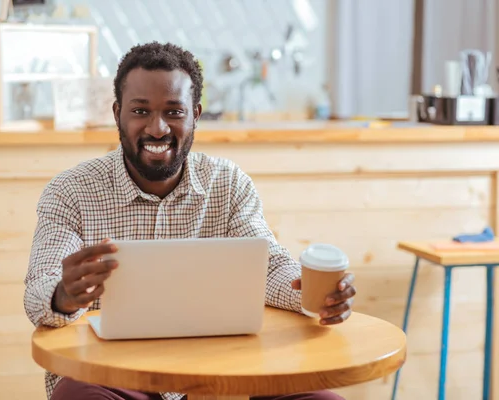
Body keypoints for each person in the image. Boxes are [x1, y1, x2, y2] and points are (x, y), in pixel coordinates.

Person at [24, 42, 356, 400]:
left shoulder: (228, 183)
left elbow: (269, 267)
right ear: (118, 113)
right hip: (115, 374)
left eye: (173, 111)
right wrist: (64, 296)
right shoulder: (70, 191)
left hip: (222, 370)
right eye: (140, 111)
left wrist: (311, 294)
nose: (157, 128)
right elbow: (39, 290)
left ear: (195, 114)